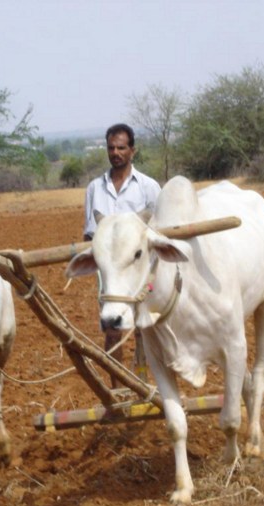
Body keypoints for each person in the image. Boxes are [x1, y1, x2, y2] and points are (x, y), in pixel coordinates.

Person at [82, 123, 161, 387]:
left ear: (132, 151)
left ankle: (145, 385)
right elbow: (90, 235)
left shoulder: (149, 188)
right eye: (111, 148)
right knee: (112, 329)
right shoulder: (95, 188)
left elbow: (158, 232)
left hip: (139, 273)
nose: (115, 152)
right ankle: (117, 389)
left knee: (144, 329)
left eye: (121, 148)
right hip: (109, 276)